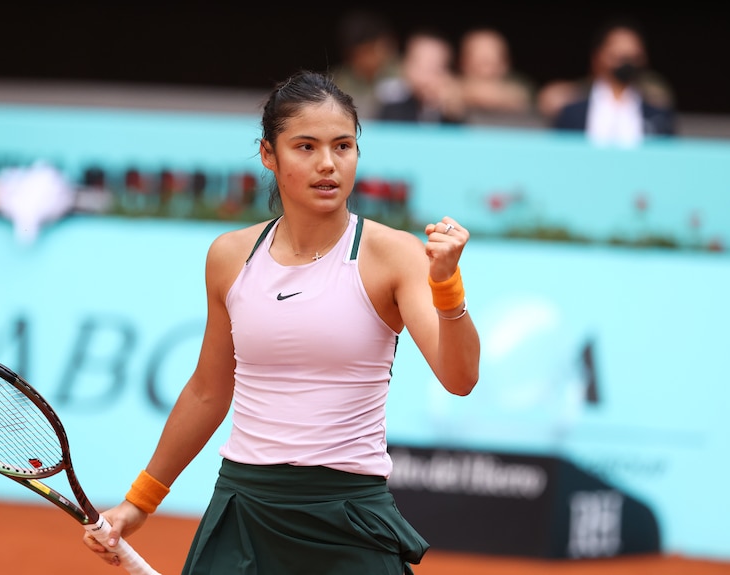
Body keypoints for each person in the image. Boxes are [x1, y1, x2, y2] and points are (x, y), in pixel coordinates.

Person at [82, 69, 480, 574]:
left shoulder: (394, 255)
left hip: (349, 519)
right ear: (269, 154)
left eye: (343, 146)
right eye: (306, 147)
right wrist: (139, 501)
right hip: (245, 509)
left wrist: (447, 287)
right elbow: (208, 392)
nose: (328, 165)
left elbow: (460, 377)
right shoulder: (230, 256)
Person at [543, 18, 676, 145]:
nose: (624, 64)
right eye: (617, 56)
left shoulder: (658, 116)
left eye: (630, 57)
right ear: (598, 56)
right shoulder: (572, 113)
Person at [377, 27, 467, 124]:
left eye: (434, 68)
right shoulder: (389, 100)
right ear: (405, 66)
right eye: (420, 66)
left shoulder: (455, 109)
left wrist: (453, 113)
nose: (425, 78)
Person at [330, 8, 402, 120]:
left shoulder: (404, 75)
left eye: (371, 51)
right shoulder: (337, 83)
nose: (366, 59)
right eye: (360, 54)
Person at [457, 27, 536, 117]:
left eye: (490, 62)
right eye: (480, 62)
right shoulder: (451, 86)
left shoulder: (523, 89)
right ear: (463, 62)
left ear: (505, 64)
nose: (485, 71)